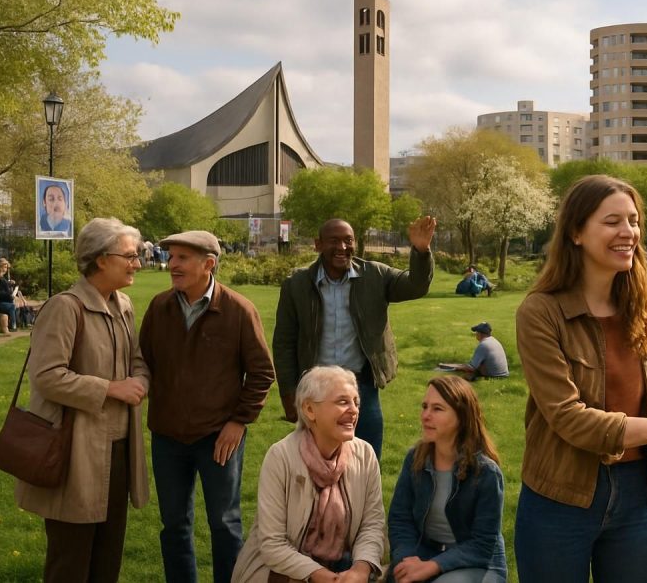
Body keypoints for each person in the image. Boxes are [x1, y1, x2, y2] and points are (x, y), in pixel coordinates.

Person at [513, 174, 647, 583]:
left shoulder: (642, 308)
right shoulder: (540, 312)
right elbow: (567, 417)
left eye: (634, 221)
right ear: (576, 233)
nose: (628, 232)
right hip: (560, 501)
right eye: (612, 221)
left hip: (639, 500)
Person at [16, 218, 150, 582]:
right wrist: (110, 388)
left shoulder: (123, 304)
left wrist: (139, 380)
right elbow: (47, 377)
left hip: (118, 450)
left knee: (107, 560)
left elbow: (137, 360)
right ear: (101, 259)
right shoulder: (65, 306)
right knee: (70, 563)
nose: (137, 263)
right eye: (130, 256)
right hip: (74, 453)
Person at [140, 230, 275, 583]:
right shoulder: (159, 307)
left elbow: (262, 373)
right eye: (171, 257)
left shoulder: (239, 310)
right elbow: (144, 361)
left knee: (224, 522)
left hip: (219, 436)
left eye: (182, 258)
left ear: (208, 264)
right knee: (173, 524)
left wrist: (239, 421)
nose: (172, 265)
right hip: (167, 436)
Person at [273, 216, 436, 460]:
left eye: (348, 241)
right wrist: (288, 392)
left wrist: (421, 251)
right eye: (333, 241)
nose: (342, 247)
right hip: (316, 390)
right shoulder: (296, 284)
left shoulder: (375, 275)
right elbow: (284, 342)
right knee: (315, 463)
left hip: (361, 388)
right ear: (318, 245)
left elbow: (415, 285)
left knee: (365, 461)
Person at [231, 366, 384, 583]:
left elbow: (372, 525)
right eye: (342, 402)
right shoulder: (280, 457)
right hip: (280, 571)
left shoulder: (365, 454)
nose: (354, 410)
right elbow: (272, 544)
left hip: (343, 568)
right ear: (310, 410)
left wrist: (360, 569)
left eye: (356, 402)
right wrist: (321, 576)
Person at [388, 376, 507, 583]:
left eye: (437, 409)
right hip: (424, 553)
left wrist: (433, 567)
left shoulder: (486, 473)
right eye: (424, 406)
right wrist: (406, 561)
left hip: (476, 563)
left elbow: (482, 544)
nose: (425, 416)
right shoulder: (415, 459)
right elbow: (400, 520)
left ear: (462, 417)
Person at [438, 322, 509, 381]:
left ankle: (444, 367)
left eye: (476, 332)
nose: (475, 334)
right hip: (502, 374)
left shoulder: (483, 345)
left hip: (494, 376)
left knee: (465, 375)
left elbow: (471, 368)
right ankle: (445, 366)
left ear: (480, 333)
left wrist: (457, 367)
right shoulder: (493, 340)